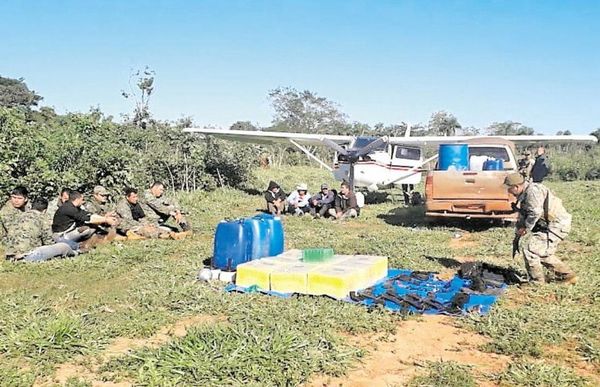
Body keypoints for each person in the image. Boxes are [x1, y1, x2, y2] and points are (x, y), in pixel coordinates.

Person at [504, 172, 576, 284]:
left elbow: (535, 213)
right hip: (552, 225)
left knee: (531, 249)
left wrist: (526, 228)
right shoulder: (525, 194)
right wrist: (518, 234)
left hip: (556, 225)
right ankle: (567, 276)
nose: (508, 191)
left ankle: (536, 282)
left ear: (516, 187)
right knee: (541, 252)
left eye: (509, 188)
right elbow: (524, 216)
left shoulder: (533, 191)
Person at [3, 197, 76, 262]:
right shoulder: (42, 218)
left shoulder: (19, 216)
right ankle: (76, 251)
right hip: (28, 256)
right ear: (44, 210)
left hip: (10, 255)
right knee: (63, 246)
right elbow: (48, 242)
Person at [52, 190, 118, 244]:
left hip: (68, 231)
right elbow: (89, 219)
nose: (83, 202)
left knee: (91, 227)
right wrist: (106, 220)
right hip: (61, 236)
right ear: (77, 199)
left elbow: (89, 215)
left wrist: (105, 217)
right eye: (82, 199)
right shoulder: (69, 208)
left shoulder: (73, 207)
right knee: (86, 229)